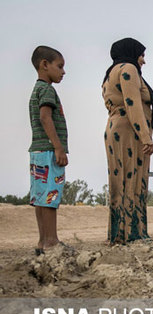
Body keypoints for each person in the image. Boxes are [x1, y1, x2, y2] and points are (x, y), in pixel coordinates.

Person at [102, 38, 153, 244]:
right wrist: (146, 137)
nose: (143, 61)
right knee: (132, 180)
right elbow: (132, 104)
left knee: (120, 181)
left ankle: (119, 234)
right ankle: (132, 233)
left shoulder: (111, 73)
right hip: (129, 131)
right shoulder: (128, 69)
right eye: (142, 55)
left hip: (117, 129)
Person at [28, 45, 69, 255]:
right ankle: (52, 241)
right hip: (48, 152)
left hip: (37, 152)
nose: (63, 71)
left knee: (41, 197)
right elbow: (46, 118)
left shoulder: (37, 89)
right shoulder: (46, 90)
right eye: (60, 66)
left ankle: (42, 241)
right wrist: (58, 147)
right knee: (51, 197)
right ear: (45, 65)